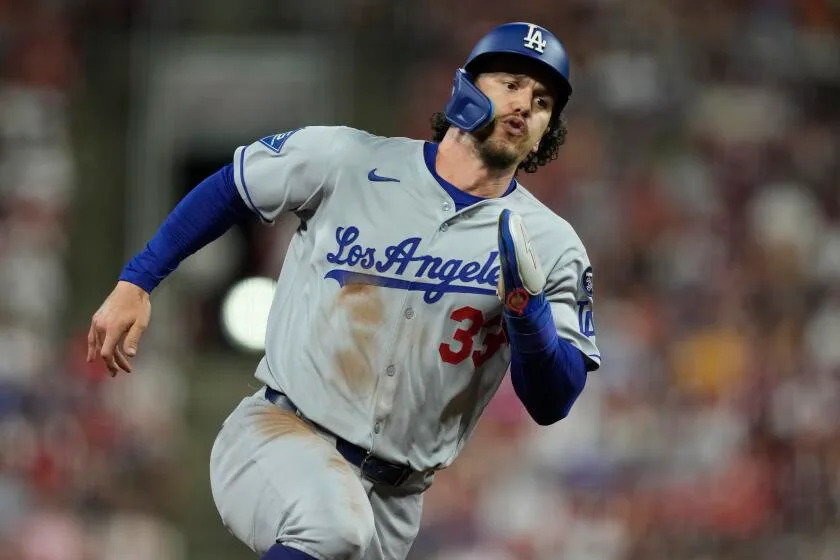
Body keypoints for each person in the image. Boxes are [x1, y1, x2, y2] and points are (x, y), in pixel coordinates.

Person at [87, 21, 600, 560]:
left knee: (342, 528)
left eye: (543, 100)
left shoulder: (549, 243)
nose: (525, 104)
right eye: (511, 82)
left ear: (549, 130)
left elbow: (552, 401)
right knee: (332, 528)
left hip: (397, 497)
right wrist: (138, 280)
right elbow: (233, 186)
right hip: (280, 436)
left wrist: (526, 312)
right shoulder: (350, 159)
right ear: (466, 87)